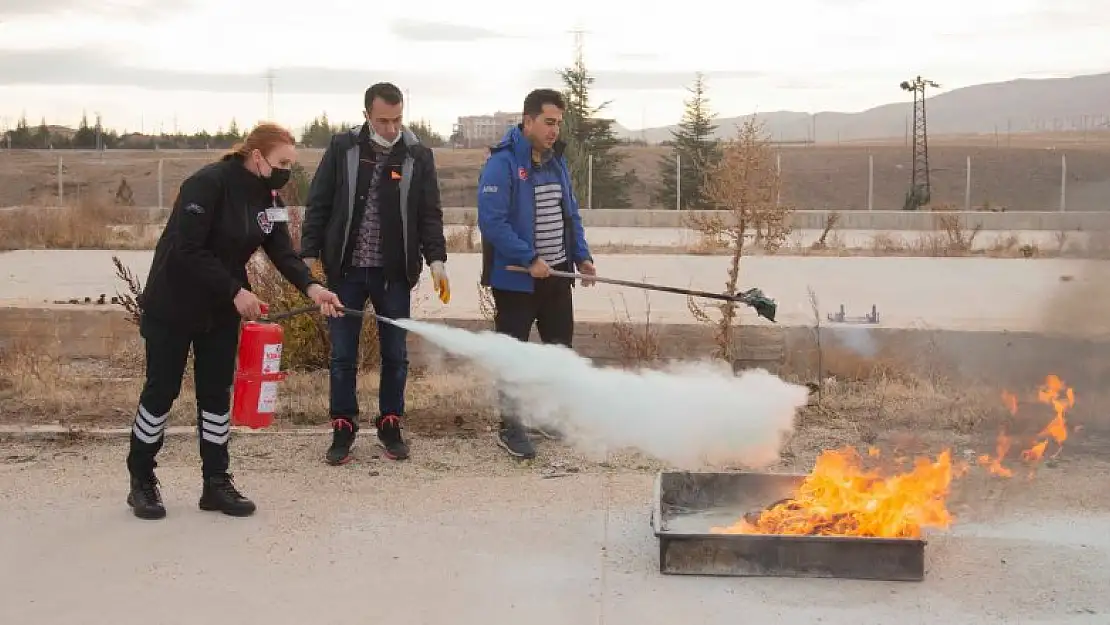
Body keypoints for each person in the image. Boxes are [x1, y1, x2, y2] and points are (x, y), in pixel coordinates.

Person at [125, 122, 345, 521]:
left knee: (216, 395)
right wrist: (236, 291)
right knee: (161, 392)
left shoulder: (268, 197)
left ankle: (216, 482)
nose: (285, 172)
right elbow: (186, 249)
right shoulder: (208, 184)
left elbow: (282, 251)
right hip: (173, 305)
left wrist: (314, 289)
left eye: (290, 165)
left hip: (220, 311)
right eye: (281, 163)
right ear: (256, 157)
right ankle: (141, 480)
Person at [301, 82, 450, 466]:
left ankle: (390, 422)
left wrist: (437, 260)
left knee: (395, 354)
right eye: (382, 120)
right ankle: (343, 426)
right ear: (366, 114)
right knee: (343, 355)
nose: (390, 128)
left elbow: (429, 213)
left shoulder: (418, 155)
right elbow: (318, 202)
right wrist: (309, 255)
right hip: (346, 272)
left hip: (394, 275)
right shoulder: (342, 148)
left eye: (397, 119)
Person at [477, 88, 596, 460]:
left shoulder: (556, 162)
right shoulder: (502, 163)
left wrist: (582, 257)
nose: (553, 131)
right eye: (548, 122)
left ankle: (546, 416)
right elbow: (492, 222)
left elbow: (570, 213)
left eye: (558, 123)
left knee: (559, 352)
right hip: (516, 280)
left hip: (557, 277)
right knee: (513, 357)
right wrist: (529, 258)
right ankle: (510, 427)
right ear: (527, 120)